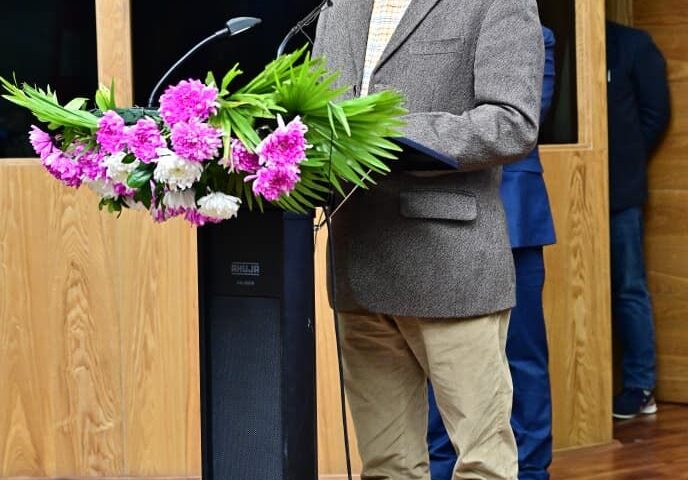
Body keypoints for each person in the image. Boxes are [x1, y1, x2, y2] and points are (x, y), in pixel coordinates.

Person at [313, 1, 544, 478]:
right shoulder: (339, 7)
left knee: (483, 464)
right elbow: (319, 116)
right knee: (386, 466)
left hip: (449, 264)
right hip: (359, 260)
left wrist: (387, 129)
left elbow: (512, 122)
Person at [426, 26, 556, 480]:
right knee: (438, 355)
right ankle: (442, 467)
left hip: (514, 220)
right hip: (437, 219)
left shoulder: (532, 33)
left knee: (521, 354)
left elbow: (516, 122)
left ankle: (532, 469)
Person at [606, 21, 670, 419]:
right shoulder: (564, 43)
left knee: (629, 287)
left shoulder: (632, 44)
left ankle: (640, 386)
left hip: (621, 191)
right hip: (570, 186)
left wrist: (624, 157)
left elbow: (655, 114)